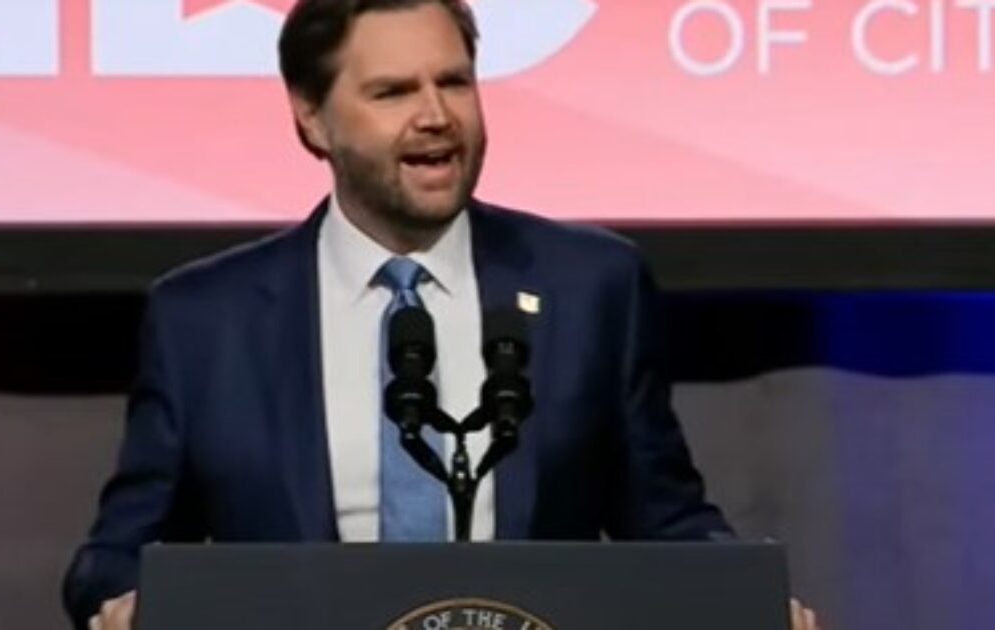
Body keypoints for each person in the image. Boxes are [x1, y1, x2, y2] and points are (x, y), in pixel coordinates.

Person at [63, 1, 820, 629]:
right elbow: (119, 551)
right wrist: (123, 601)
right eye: (393, 92)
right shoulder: (206, 319)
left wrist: (744, 600)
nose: (435, 116)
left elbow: (664, 519)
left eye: (454, 82)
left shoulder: (590, 286)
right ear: (312, 118)